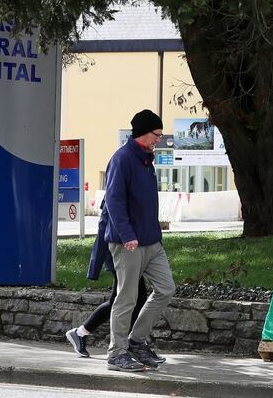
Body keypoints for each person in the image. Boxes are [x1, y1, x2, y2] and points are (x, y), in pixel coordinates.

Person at [103, 109, 176, 372]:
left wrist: (153, 235)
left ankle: (136, 341)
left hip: (151, 242)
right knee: (126, 298)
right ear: (144, 132)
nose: (159, 139)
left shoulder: (147, 160)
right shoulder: (122, 159)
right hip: (128, 243)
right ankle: (116, 354)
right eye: (157, 134)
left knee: (166, 288)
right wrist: (127, 235)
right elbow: (113, 200)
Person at [64, 201, 162, 363]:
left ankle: (82, 332)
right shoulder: (116, 195)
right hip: (120, 254)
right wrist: (95, 267)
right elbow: (104, 227)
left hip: (133, 251)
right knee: (127, 300)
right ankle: (131, 345)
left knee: (127, 299)